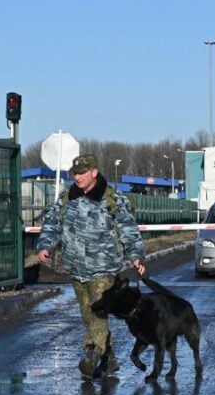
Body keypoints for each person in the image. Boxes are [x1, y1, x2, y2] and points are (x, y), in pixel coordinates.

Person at [35, 154, 147, 379]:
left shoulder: (112, 199)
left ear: (94, 172)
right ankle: (110, 359)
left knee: (97, 312)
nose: (78, 177)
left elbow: (128, 230)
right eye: (75, 173)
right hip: (76, 267)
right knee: (88, 315)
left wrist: (136, 257)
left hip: (104, 267)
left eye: (82, 173)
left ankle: (92, 355)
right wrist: (45, 245)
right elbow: (52, 223)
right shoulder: (68, 198)